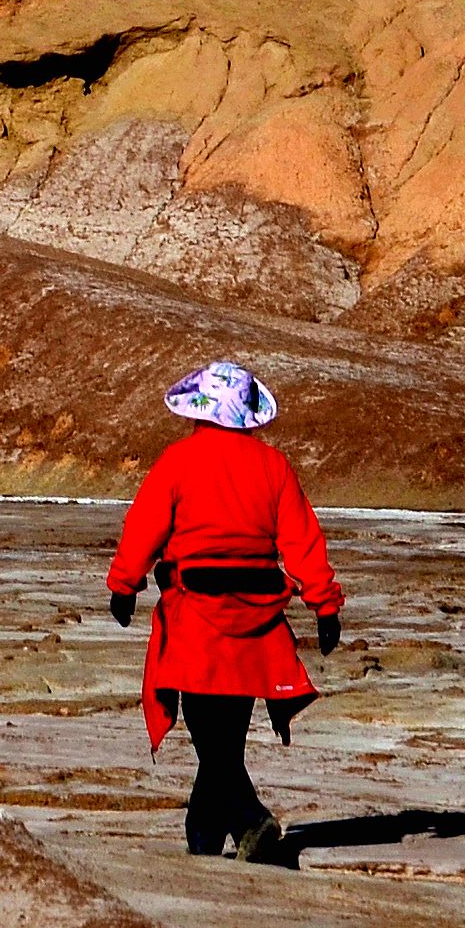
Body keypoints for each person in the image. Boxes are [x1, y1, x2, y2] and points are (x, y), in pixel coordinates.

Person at [105, 359, 343, 864]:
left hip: (195, 615)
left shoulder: (178, 461)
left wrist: (125, 584)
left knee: (210, 739)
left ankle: (249, 821)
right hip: (258, 618)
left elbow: (143, 526)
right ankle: (205, 841)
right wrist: (323, 603)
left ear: (199, 409)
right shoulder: (273, 467)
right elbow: (302, 540)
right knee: (226, 737)